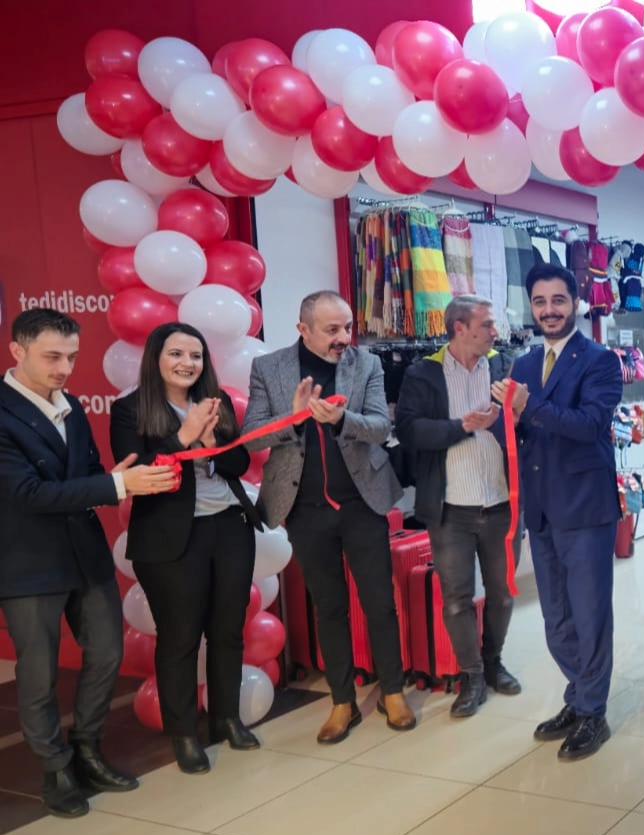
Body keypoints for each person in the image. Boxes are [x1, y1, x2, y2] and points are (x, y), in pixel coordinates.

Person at [0, 309, 176, 816]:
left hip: (85, 553)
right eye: (52, 357)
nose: (64, 368)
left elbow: (88, 472)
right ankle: (54, 769)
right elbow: (28, 494)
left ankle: (88, 749)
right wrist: (115, 485)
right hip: (28, 563)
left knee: (106, 653)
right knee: (38, 672)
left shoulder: (72, 405)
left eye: (72, 357)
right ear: (17, 350)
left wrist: (114, 477)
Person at [243, 290, 415, 744]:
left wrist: (342, 419)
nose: (344, 337)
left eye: (347, 327)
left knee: (379, 602)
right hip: (303, 509)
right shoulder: (269, 368)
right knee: (329, 606)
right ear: (303, 329)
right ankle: (342, 701)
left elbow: (381, 426)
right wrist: (295, 419)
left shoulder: (367, 364)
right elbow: (251, 437)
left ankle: (392, 691)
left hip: (363, 502)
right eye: (332, 329)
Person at [111, 323, 264, 774]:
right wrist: (184, 436)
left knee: (227, 630)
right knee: (179, 637)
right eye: (176, 354)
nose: (187, 363)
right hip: (170, 537)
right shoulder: (129, 410)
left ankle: (226, 718)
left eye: (195, 356)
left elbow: (239, 463)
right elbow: (138, 471)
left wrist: (213, 443)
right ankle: (183, 734)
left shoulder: (216, 403)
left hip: (229, 527)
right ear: (156, 358)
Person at [492, 263, 623, 761]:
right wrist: (499, 422)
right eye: (540, 301)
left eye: (558, 300)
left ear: (576, 303)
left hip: (586, 508)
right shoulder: (523, 364)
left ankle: (593, 711)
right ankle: (579, 694)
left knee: (590, 616)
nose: (549, 310)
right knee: (556, 618)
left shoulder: (600, 361)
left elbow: (589, 425)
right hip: (542, 508)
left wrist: (529, 408)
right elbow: (521, 432)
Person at [396, 296, 521, 719]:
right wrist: (462, 426)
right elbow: (409, 430)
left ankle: (493, 661)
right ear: (459, 328)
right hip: (449, 509)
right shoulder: (423, 373)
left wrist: (513, 414)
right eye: (487, 324)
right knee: (457, 599)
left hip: (502, 504)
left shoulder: (505, 367)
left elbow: (525, 425)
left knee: (503, 594)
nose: (495, 332)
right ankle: (472, 676)